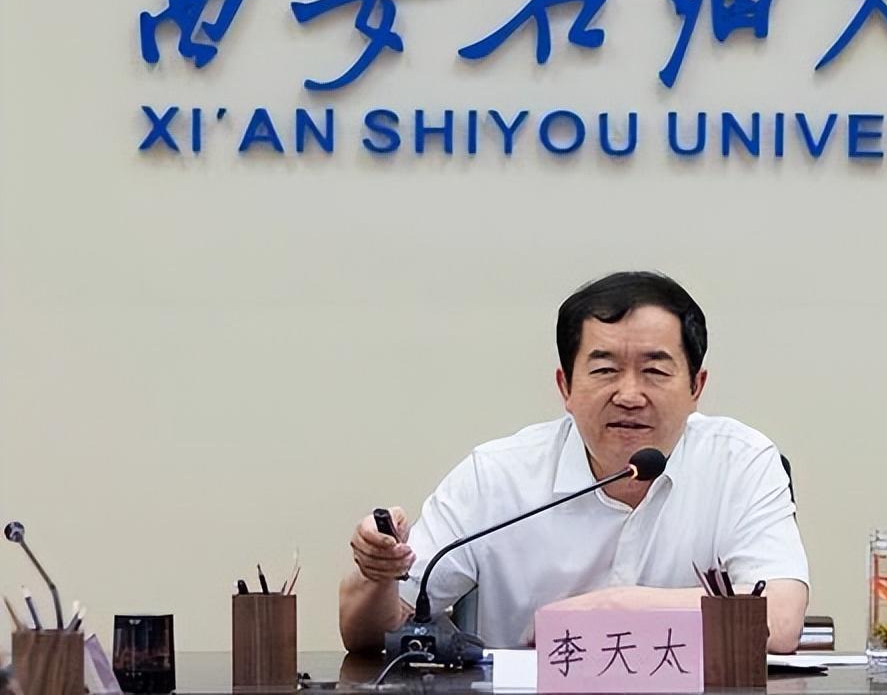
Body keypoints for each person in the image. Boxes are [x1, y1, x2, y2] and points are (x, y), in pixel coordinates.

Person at [339, 272, 809, 654]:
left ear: (695, 387)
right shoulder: (498, 476)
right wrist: (377, 576)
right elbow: (374, 634)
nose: (629, 395)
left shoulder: (741, 463)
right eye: (605, 370)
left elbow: (779, 618)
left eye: (654, 371)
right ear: (565, 386)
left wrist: (607, 610)